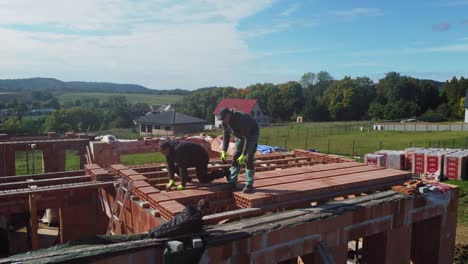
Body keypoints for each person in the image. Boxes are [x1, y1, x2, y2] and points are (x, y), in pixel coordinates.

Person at [217, 107, 259, 193]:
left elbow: (247, 138)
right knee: (236, 156)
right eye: (222, 120)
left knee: (248, 158)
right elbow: (226, 135)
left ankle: (249, 184)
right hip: (239, 136)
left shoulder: (241, 120)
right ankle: (232, 182)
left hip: (251, 135)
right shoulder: (225, 122)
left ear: (228, 115)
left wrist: (243, 154)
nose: (223, 121)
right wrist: (224, 150)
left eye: (224, 119)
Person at [160, 140, 229, 191]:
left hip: (201, 157)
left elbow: (182, 168)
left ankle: (224, 172)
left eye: (164, 152)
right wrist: (171, 179)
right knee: (174, 167)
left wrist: (182, 184)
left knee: (203, 179)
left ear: (167, 148)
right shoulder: (168, 151)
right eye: (163, 153)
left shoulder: (177, 150)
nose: (164, 154)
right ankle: (187, 179)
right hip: (190, 157)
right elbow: (170, 165)